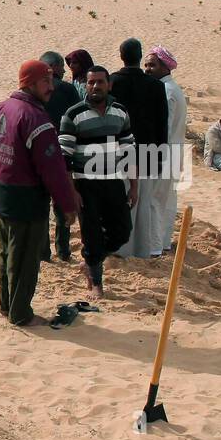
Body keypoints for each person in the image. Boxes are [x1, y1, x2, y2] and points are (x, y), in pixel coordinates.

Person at [0, 60, 80, 326]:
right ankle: (20, 313)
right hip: (25, 198)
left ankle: (6, 305)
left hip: (1, 191)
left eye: (51, 80)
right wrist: (67, 205)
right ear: (29, 83)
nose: (51, 87)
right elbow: (53, 170)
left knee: (6, 251)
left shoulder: (1, 108)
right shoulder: (36, 120)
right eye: (45, 81)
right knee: (25, 258)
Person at [59, 66, 137, 299]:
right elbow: (64, 159)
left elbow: (130, 151)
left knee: (123, 232)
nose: (95, 86)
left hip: (114, 181)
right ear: (85, 85)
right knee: (91, 234)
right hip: (86, 184)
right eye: (90, 82)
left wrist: (134, 186)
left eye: (100, 82)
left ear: (108, 85)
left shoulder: (121, 112)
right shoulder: (73, 114)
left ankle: (91, 262)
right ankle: (96, 283)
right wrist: (72, 191)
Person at [110, 38, 169, 259]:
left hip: (119, 151)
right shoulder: (156, 86)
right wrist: (161, 156)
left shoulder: (113, 81)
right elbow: (162, 123)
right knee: (143, 202)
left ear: (121, 55)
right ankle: (141, 249)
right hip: (148, 152)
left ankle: (120, 248)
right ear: (139, 55)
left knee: (121, 199)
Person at [144, 45, 188, 254]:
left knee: (155, 200)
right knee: (167, 201)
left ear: (165, 67)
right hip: (175, 154)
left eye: (152, 65)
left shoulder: (166, 90)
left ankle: (154, 247)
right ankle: (162, 242)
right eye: (145, 65)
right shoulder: (173, 88)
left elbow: (166, 127)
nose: (147, 69)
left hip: (165, 154)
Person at [40, 50, 81, 262]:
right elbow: (78, 118)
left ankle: (43, 252)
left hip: (39, 154)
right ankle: (63, 251)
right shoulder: (68, 89)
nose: (64, 72)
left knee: (41, 204)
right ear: (54, 67)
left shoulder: (33, 89)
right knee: (62, 203)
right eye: (62, 68)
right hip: (63, 153)